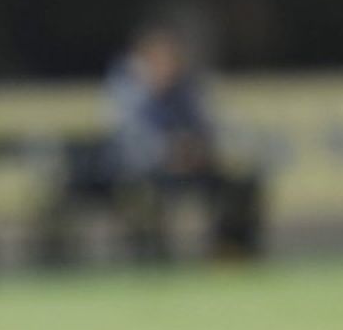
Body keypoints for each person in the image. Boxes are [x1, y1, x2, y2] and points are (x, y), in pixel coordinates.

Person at [105, 13, 263, 260]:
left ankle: (231, 254)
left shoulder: (187, 87)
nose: (168, 64)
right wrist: (168, 152)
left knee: (243, 182)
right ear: (145, 58)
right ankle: (153, 259)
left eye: (171, 56)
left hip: (191, 165)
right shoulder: (129, 89)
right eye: (160, 57)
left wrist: (197, 149)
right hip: (149, 171)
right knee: (141, 196)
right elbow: (129, 141)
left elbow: (208, 127)